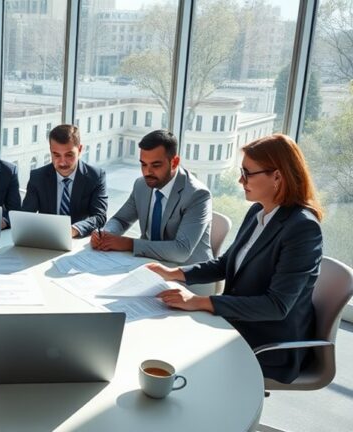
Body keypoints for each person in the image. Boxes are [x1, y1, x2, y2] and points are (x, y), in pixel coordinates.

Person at [147, 133, 324, 384]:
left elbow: (276, 306)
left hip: (269, 342)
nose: (241, 180)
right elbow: (226, 263)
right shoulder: (258, 211)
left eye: (248, 173)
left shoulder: (303, 229)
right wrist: (175, 273)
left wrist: (200, 301)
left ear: (277, 175)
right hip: (237, 324)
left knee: (182, 353)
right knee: (164, 330)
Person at [91, 129, 212, 265]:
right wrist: (105, 234)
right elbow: (121, 220)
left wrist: (129, 244)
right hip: (147, 263)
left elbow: (181, 251)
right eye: (143, 164)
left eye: (156, 165)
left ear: (174, 162)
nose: (147, 172)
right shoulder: (141, 185)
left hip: (187, 273)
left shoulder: (197, 195)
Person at [22, 124, 107, 238]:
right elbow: (25, 217)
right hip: (46, 239)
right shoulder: (37, 177)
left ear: (80, 149)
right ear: (50, 151)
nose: (62, 162)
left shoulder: (96, 177)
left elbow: (99, 217)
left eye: (69, 155)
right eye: (56, 155)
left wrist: (74, 229)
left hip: (78, 241)